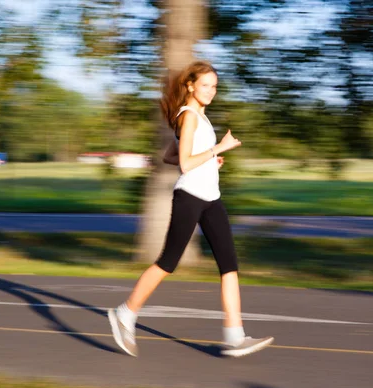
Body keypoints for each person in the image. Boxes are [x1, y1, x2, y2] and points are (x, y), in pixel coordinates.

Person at [108, 61, 274, 358]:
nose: (211, 91)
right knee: (168, 262)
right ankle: (125, 313)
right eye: (206, 85)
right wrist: (217, 150)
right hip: (190, 197)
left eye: (215, 86)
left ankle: (235, 337)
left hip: (211, 198)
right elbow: (184, 163)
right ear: (191, 86)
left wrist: (211, 160)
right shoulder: (189, 117)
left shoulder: (199, 117)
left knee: (229, 265)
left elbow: (169, 156)